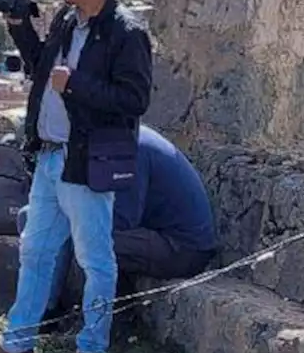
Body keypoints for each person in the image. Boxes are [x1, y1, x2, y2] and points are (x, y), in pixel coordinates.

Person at [0, 0, 153, 353]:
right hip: (51, 158)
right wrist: (19, 26)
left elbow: (134, 99)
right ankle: (18, 344)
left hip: (87, 160)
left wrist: (76, 85)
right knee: (35, 251)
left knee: (94, 257)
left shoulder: (126, 33)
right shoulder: (69, 21)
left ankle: (92, 348)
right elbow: (42, 70)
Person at [16, 125, 217, 321]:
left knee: (82, 237)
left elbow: (123, 220)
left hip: (183, 249)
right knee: (30, 217)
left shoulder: (128, 148)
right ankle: (43, 308)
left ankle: (47, 315)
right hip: (148, 235)